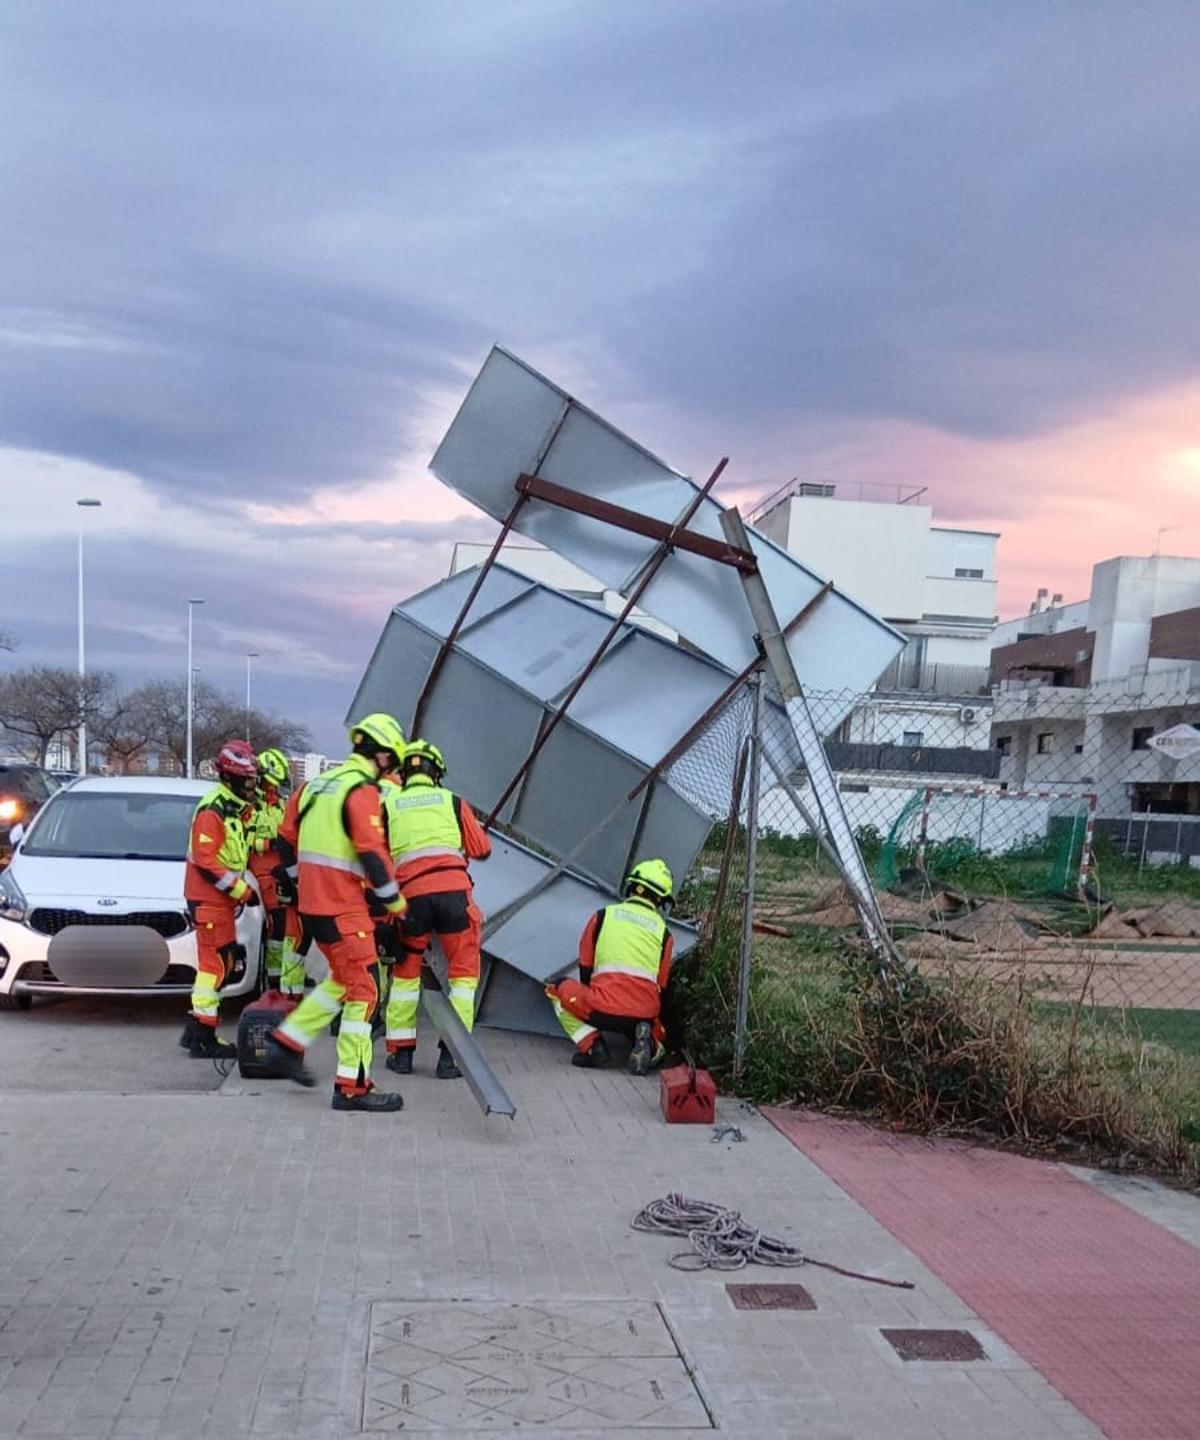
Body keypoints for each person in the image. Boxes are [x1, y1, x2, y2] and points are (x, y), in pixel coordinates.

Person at [262, 713, 408, 1112]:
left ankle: (287, 1043)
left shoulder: (314, 787)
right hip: (344, 907)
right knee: (366, 990)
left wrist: (296, 882)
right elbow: (372, 853)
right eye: (391, 762)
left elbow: (285, 840)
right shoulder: (360, 790)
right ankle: (352, 1087)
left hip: (313, 906)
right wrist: (395, 903)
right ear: (381, 755)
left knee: (342, 981)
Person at [380, 738, 491, 1079]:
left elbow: (378, 861)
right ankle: (451, 1057)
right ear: (436, 772)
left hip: (410, 900)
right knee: (463, 974)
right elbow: (482, 848)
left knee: (405, 974)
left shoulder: (390, 806)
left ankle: (401, 1054)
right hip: (454, 896)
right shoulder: (452, 801)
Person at [546, 858, 675, 1075]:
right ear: (660, 900)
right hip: (643, 1013)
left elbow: (585, 966)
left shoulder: (603, 916)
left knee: (555, 989)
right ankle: (649, 1044)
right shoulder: (664, 934)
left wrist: (594, 994)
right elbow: (662, 985)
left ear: (632, 887)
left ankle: (594, 1047)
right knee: (659, 1030)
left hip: (601, 1007)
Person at [180, 739, 260, 1059]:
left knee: (223, 964)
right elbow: (207, 860)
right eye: (248, 780)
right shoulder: (213, 809)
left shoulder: (234, 808)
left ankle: (197, 1028)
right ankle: (203, 1037)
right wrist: (242, 891)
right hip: (209, 899)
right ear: (229, 778)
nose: (252, 785)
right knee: (215, 967)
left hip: (220, 902)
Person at [247, 747, 291, 991]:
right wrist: (272, 843)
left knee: (289, 926)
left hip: (282, 870)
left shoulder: (280, 806)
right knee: (276, 926)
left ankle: (285, 971)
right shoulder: (252, 806)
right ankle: (273, 977)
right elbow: (245, 840)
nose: (275, 789)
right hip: (262, 873)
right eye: (272, 784)